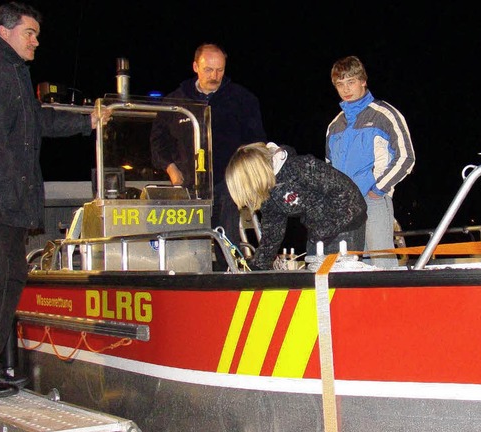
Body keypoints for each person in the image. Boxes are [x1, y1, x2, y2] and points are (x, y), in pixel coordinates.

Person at [0, 2, 111, 398]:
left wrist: (87, 122)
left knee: (8, 282)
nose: (36, 42)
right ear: (4, 31)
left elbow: (37, 119)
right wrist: (12, 187)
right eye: (30, 33)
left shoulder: (14, 73)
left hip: (6, 205)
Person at [150, 43, 267, 253]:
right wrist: (170, 169)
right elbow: (158, 142)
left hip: (228, 183)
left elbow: (256, 143)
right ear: (195, 66)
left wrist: (246, 177)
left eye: (220, 70)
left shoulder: (243, 99)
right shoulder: (174, 101)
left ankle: (229, 279)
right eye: (208, 69)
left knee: (227, 240)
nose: (215, 75)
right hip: (187, 186)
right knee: (190, 244)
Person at [326, 56, 415, 269]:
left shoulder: (384, 115)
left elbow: (406, 157)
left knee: (382, 262)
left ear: (363, 81)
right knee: (349, 265)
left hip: (373, 200)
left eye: (351, 82)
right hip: (345, 206)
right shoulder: (334, 125)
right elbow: (328, 168)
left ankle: (391, 302)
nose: (346, 89)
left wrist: (378, 189)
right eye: (340, 84)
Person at [225, 142, 367, 270]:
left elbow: (347, 191)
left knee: (335, 282)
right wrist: (258, 266)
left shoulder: (300, 168)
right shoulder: (269, 193)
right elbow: (272, 231)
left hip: (347, 227)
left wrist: (328, 226)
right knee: (314, 283)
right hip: (318, 233)